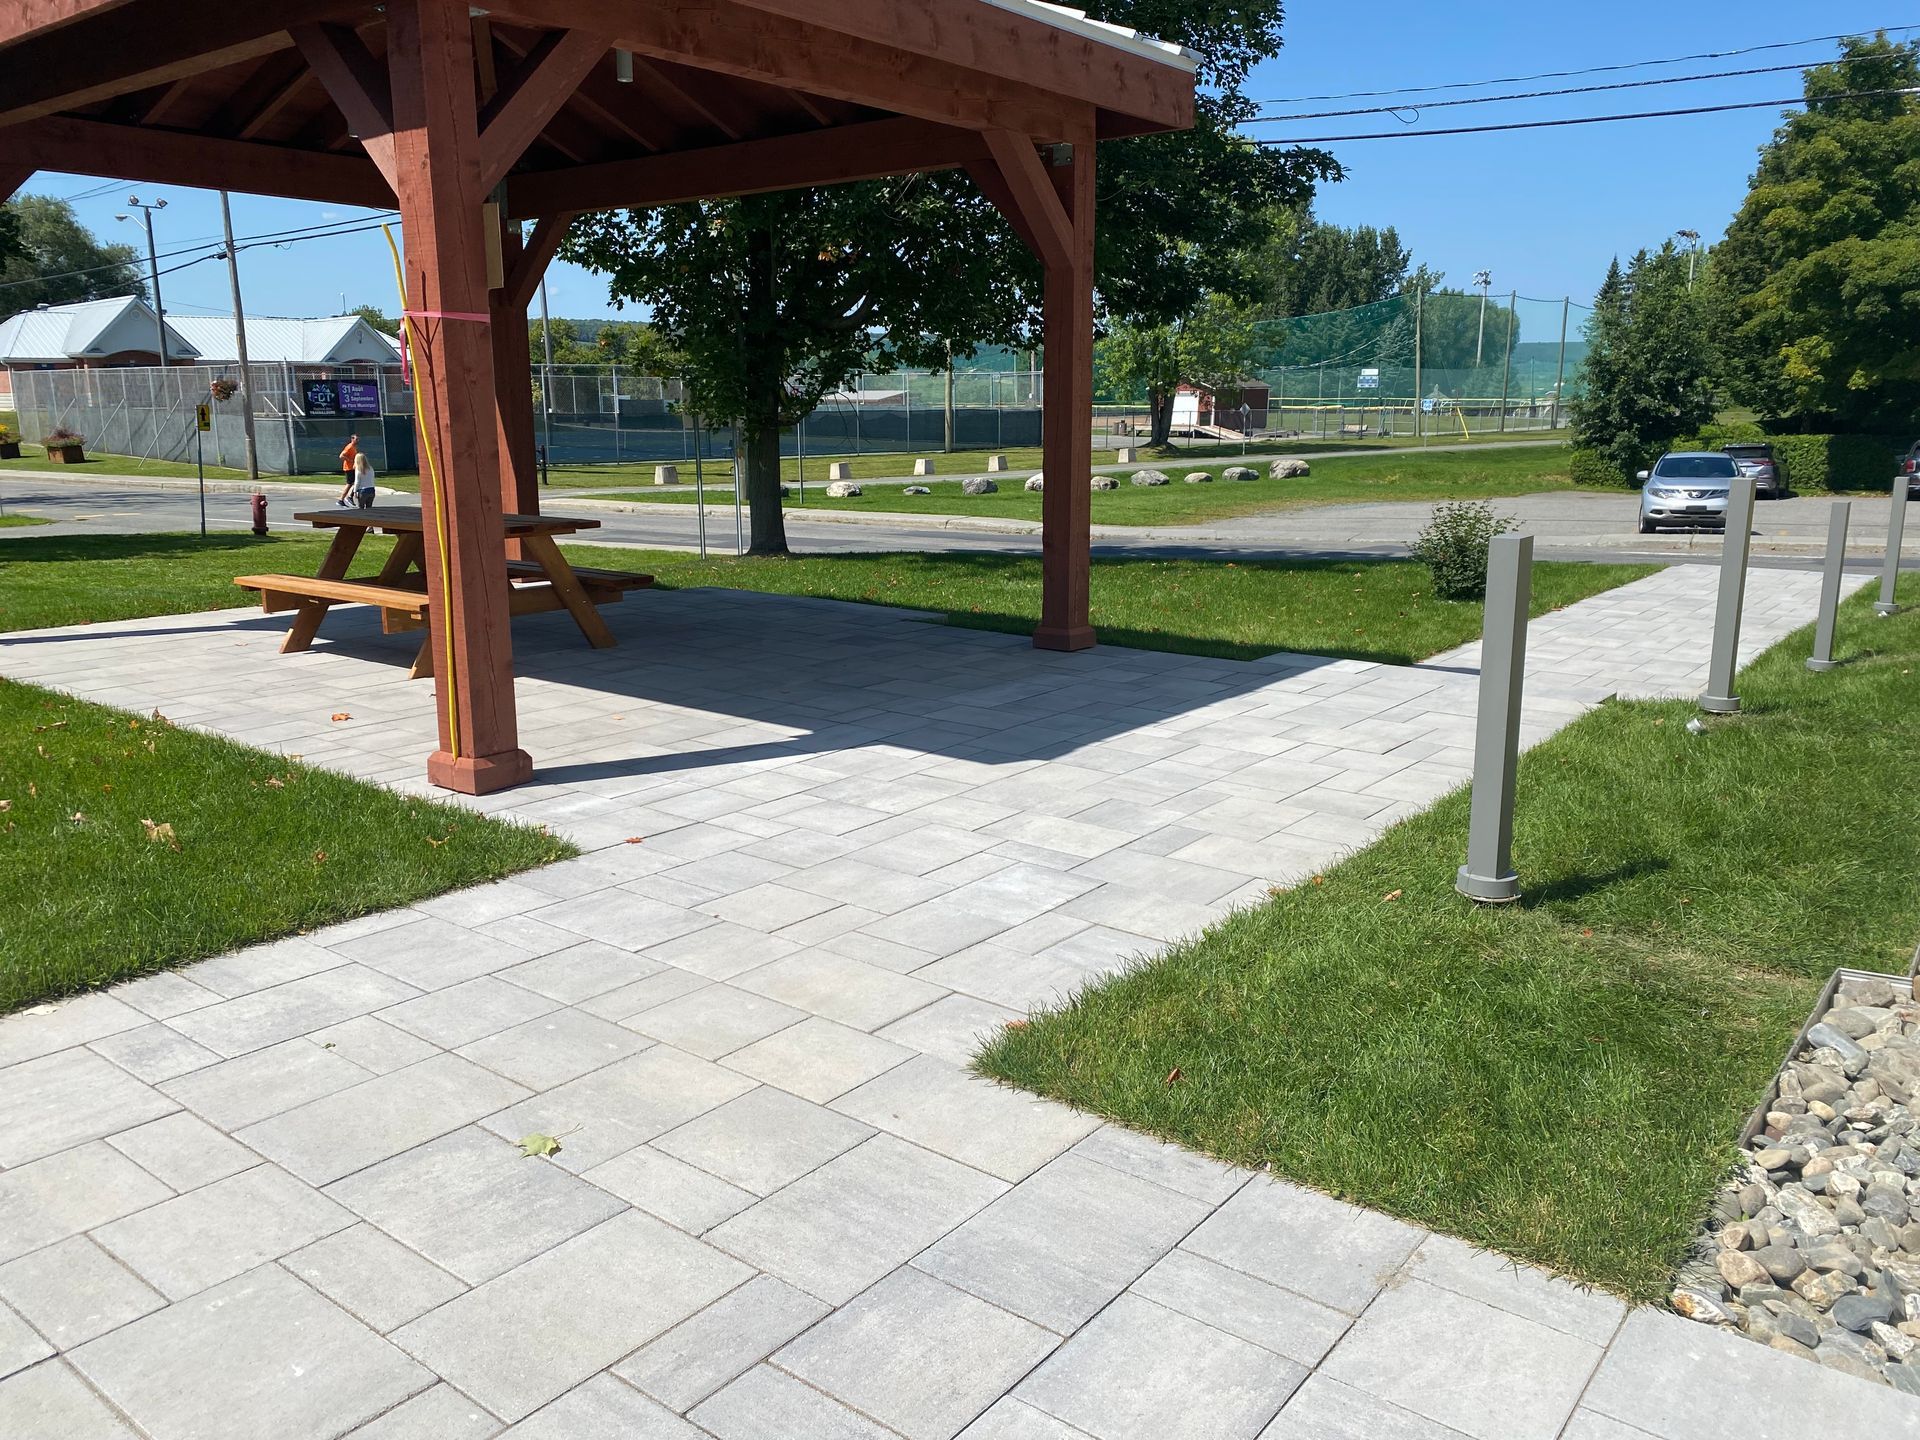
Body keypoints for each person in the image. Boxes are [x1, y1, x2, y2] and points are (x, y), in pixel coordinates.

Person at [336, 434, 360, 507]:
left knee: (357, 482)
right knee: (350, 484)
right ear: (352, 439)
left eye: (358, 439)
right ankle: (341, 500)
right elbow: (341, 456)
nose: (357, 441)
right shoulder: (349, 447)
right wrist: (350, 460)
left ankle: (350, 497)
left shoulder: (353, 447)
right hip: (348, 468)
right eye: (356, 439)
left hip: (352, 468)